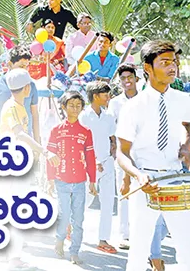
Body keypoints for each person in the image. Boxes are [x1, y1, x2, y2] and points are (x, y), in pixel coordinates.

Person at [116, 40, 190, 271]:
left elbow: (188, 125)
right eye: (164, 62)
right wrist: (137, 176)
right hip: (145, 183)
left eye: (174, 62)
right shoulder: (132, 107)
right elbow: (121, 154)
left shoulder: (182, 100)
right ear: (148, 68)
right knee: (139, 250)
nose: (172, 67)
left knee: (189, 249)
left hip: (176, 180)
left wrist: (186, 144)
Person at [0, 68, 45, 271]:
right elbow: (19, 134)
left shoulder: (18, 106)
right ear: (27, 87)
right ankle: (13, 258)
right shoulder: (11, 108)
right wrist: (43, 151)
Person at [47, 91, 97, 265]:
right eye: (71, 105)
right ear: (63, 107)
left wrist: (92, 180)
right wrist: (50, 179)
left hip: (79, 182)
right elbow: (50, 155)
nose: (75, 109)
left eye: (78, 105)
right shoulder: (56, 130)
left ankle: (75, 251)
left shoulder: (86, 132)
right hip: (61, 180)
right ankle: (60, 238)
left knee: (79, 218)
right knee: (64, 213)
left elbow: (90, 157)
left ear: (82, 108)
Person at [79, 81, 117, 254]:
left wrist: (113, 155)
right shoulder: (84, 116)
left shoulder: (108, 116)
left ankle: (103, 239)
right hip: (89, 165)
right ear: (95, 96)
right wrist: (93, 161)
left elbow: (112, 138)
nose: (108, 98)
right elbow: (81, 142)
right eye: (105, 95)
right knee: (85, 200)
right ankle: (72, 226)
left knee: (108, 202)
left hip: (107, 163)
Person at [107, 63, 139, 250]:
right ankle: (124, 234)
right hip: (123, 153)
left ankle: (142, 233)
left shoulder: (145, 99)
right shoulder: (115, 103)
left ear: (136, 78)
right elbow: (112, 128)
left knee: (143, 193)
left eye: (130, 77)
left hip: (143, 152)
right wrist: (113, 146)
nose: (127, 81)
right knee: (124, 192)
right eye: (123, 79)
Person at [0, 46, 40, 141]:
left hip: (25, 142)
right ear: (10, 64)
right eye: (21, 66)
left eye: (27, 66)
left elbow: (35, 115)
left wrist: (37, 142)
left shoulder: (30, 86)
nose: (25, 70)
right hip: (1, 142)